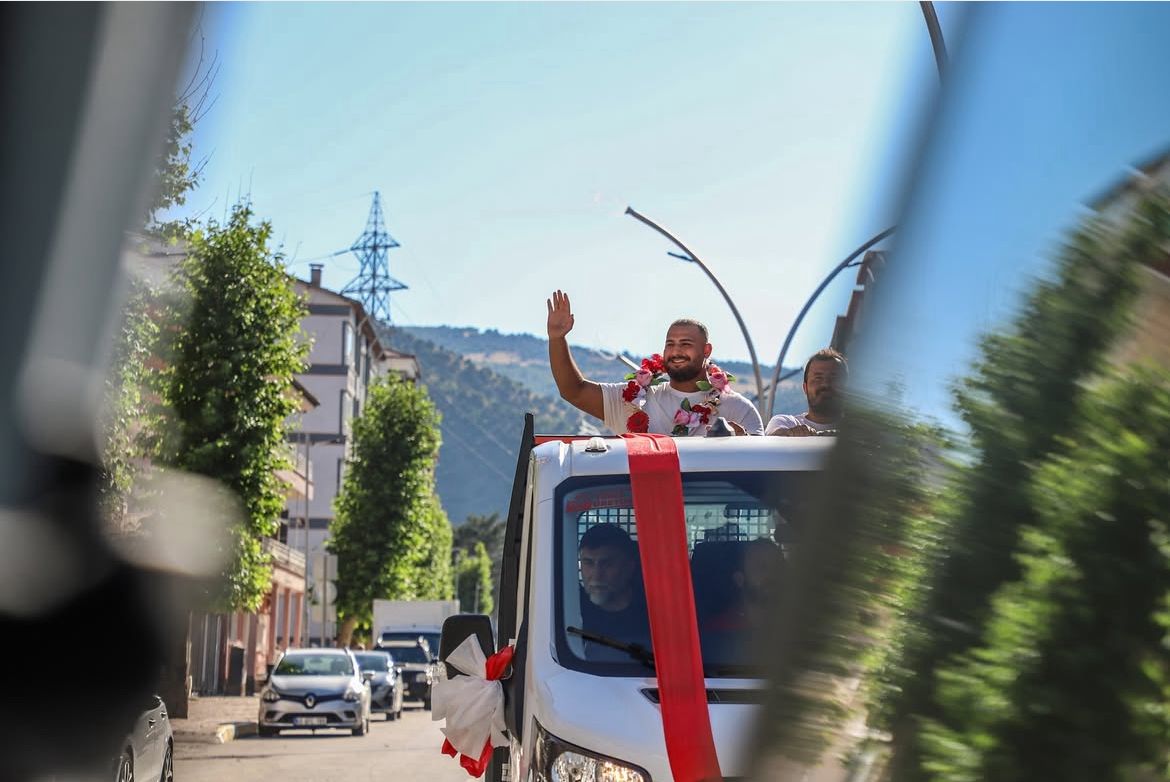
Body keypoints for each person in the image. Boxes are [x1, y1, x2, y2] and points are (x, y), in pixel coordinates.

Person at [546, 290, 764, 436]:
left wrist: (741, 443)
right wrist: (557, 339)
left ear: (706, 351)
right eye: (670, 344)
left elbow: (762, 471)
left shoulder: (737, 408)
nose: (676, 351)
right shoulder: (633, 400)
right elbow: (573, 391)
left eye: (686, 344)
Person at [576, 524, 650, 660]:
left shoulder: (652, 612)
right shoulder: (568, 606)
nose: (597, 575)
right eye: (588, 563)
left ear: (629, 567)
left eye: (607, 564)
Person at [765, 347, 847, 436]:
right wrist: (790, 433)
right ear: (805, 388)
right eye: (818, 378)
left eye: (834, 378)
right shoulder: (786, 423)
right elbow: (774, 435)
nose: (825, 384)